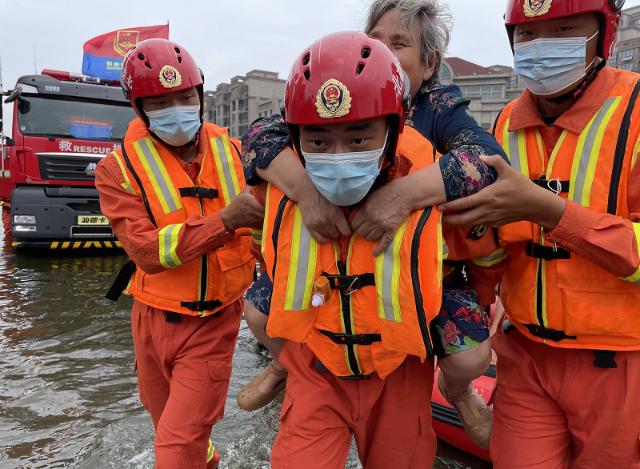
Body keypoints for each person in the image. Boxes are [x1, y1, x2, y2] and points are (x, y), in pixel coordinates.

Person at [238, 0, 506, 448]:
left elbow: (486, 162)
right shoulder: (329, 94)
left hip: (415, 274)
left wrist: (400, 196)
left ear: (429, 62)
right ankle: (285, 363)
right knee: (258, 310)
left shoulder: (438, 108)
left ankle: (459, 395)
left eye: (399, 44)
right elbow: (259, 138)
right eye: (374, 41)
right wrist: (308, 193)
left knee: (470, 355)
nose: (382, 51)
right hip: (329, 267)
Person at [439, 1, 640, 467]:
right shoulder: (506, 121)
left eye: (564, 29)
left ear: (603, 33)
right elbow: (494, 241)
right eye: (527, 36)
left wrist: (551, 212)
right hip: (525, 356)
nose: (541, 48)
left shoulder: (634, 113)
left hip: (621, 362)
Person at [95, 39, 263, 469]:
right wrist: (225, 221)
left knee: (173, 449)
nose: (178, 107)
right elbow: (146, 250)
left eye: (186, 96)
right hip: (150, 317)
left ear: (201, 95)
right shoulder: (117, 170)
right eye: (161, 101)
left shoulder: (235, 150)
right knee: (170, 430)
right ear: (139, 108)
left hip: (213, 319)